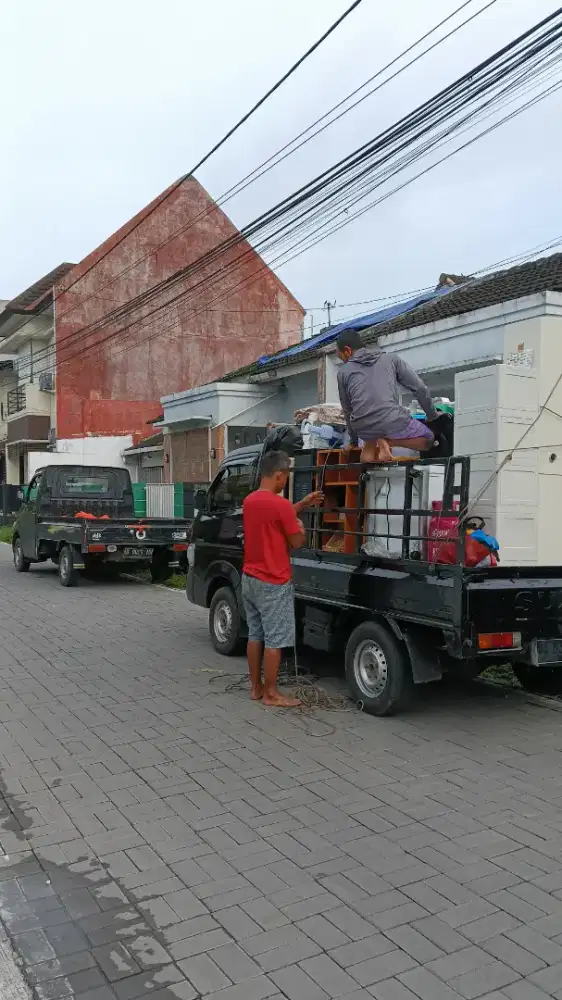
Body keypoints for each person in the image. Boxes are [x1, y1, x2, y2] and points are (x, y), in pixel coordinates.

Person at [242, 450, 323, 707]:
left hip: (250, 578)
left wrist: (301, 504)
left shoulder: (250, 501)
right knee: (275, 640)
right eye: (285, 478)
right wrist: (301, 528)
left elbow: (273, 518)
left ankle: (255, 688)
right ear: (279, 475)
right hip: (273, 581)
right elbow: (296, 542)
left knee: (255, 635)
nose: (285, 482)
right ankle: (272, 694)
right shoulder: (281, 505)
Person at [336, 330, 438, 463]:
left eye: (341, 357)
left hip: (363, 425)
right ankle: (388, 442)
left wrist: (353, 441)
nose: (344, 362)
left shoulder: (343, 372)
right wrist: (432, 416)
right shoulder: (391, 359)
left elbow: (348, 409)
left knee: (369, 442)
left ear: (348, 350)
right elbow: (419, 388)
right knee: (429, 438)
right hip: (390, 420)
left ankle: (367, 478)